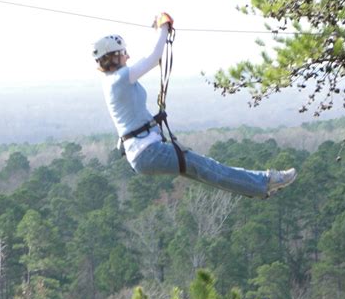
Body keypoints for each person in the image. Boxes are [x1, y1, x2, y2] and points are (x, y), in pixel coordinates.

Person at [93, 13, 297, 198]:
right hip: (147, 151)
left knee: (206, 170)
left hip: (145, 152)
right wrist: (163, 27)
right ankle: (264, 181)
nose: (127, 56)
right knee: (208, 167)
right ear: (114, 56)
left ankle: (258, 186)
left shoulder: (114, 80)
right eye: (124, 52)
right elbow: (155, 58)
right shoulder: (119, 78)